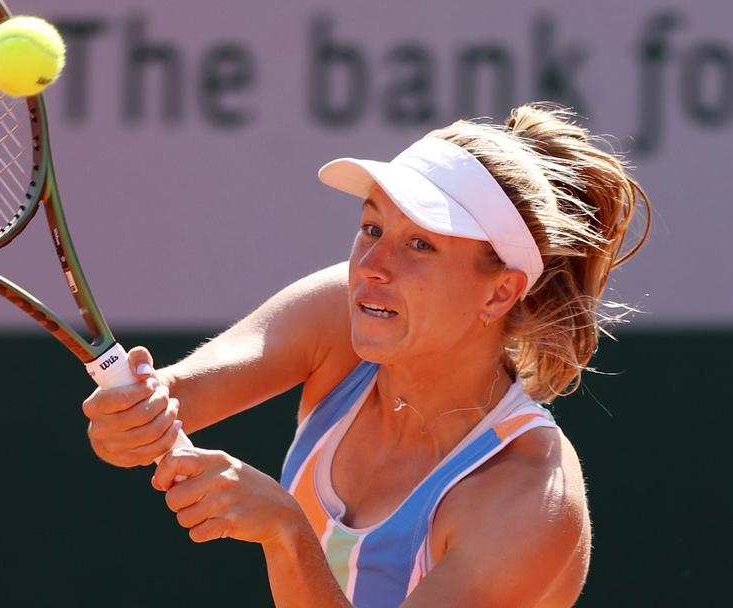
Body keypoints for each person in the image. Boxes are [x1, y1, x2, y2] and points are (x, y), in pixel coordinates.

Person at [82, 103, 650, 607]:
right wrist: (133, 419)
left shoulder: (526, 498)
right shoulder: (348, 309)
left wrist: (288, 533)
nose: (372, 266)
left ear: (499, 291)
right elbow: (174, 400)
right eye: (372, 226)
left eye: (420, 244)